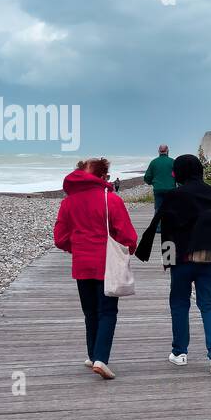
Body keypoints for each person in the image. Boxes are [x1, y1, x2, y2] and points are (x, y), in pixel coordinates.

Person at [134, 153, 211, 374]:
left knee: (179, 304)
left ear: (178, 173)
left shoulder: (174, 196)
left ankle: (180, 353)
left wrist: (167, 261)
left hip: (182, 260)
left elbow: (167, 232)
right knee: (209, 306)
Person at [53, 157, 138, 380]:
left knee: (89, 312)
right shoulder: (111, 200)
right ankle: (101, 358)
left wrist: (77, 246)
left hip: (82, 264)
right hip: (107, 264)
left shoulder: (68, 202)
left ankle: (92, 355)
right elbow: (128, 236)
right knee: (107, 311)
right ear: (102, 177)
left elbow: (60, 239)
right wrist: (129, 248)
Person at [143, 143, 175, 210]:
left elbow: (147, 177)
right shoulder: (173, 162)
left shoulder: (153, 162)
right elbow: (179, 175)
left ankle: (158, 220)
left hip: (158, 189)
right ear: (168, 151)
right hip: (171, 189)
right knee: (171, 209)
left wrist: (152, 183)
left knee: (158, 210)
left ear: (159, 151)